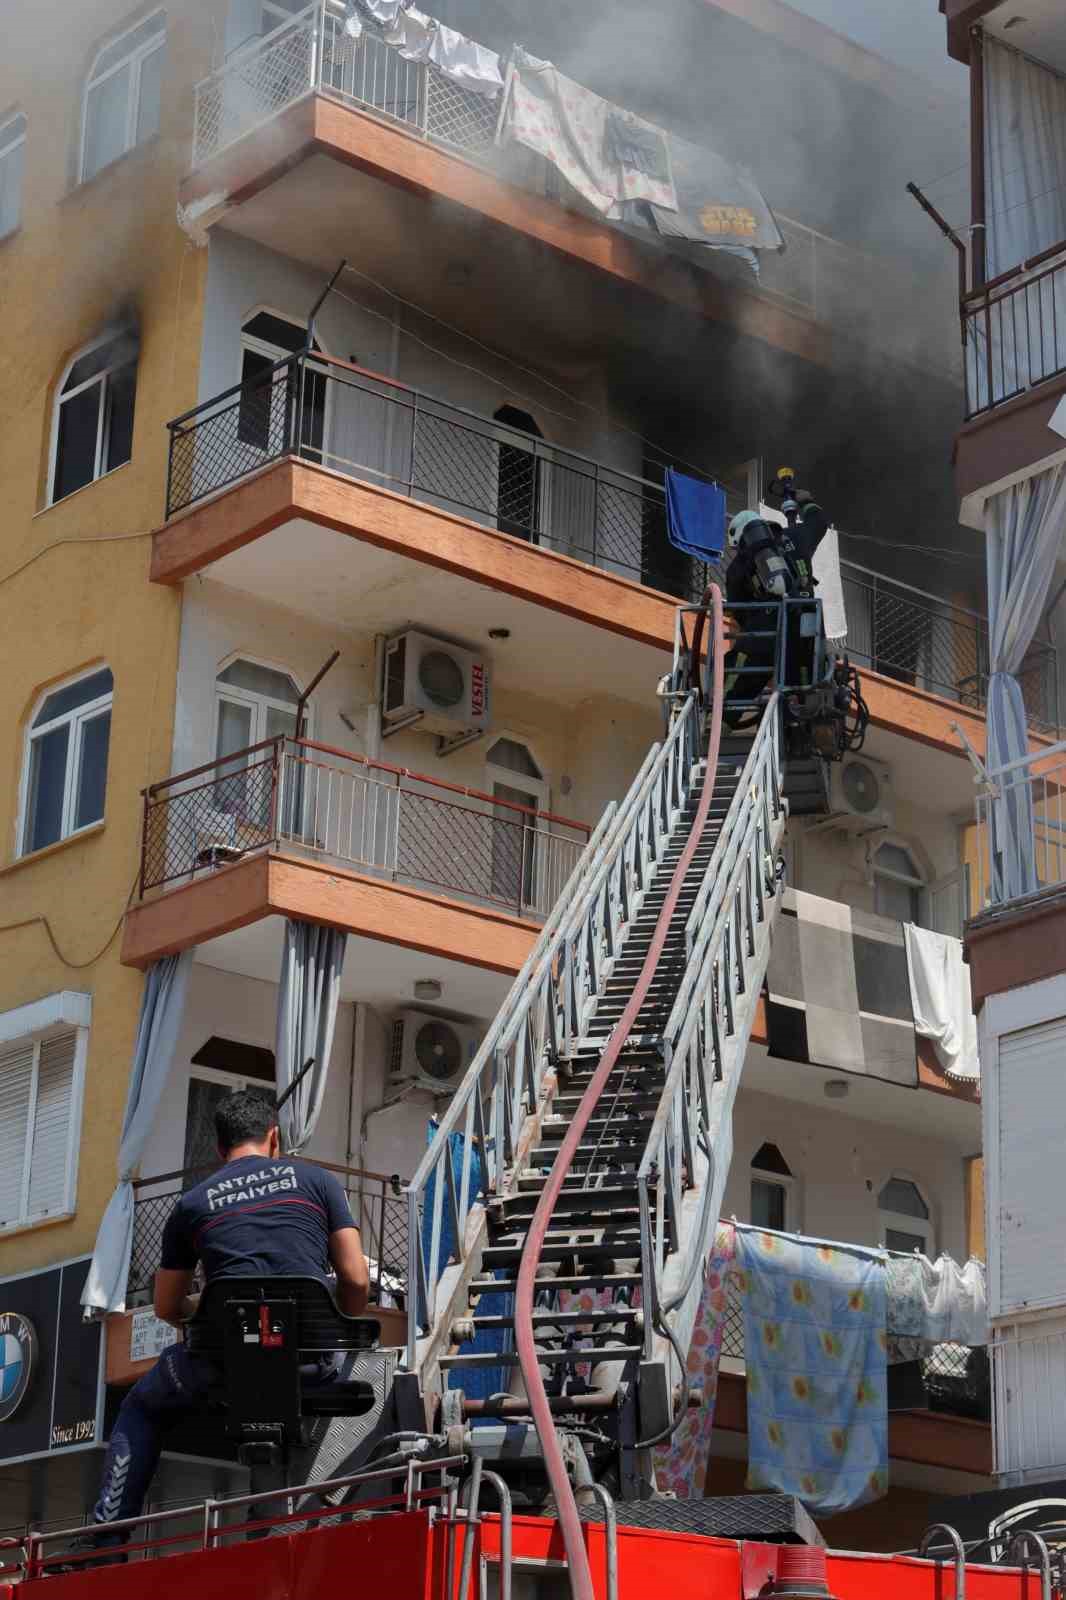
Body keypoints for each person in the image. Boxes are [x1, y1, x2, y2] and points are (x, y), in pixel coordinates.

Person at [74, 1089, 370, 1561]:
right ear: (275, 1138)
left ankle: (106, 1539)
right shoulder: (318, 1181)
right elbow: (356, 1280)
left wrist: (219, 1314)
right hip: (312, 1364)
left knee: (142, 1406)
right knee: (362, 1365)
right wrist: (332, 1320)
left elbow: (169, 1306)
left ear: (219, 1149)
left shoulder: (192, 1203)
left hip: (223, 1367)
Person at [722, 491, 830, 726]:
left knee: (737, 678)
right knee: (804, 686)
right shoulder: (796, 536)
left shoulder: (738, 566)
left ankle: (723, 715)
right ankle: (808, 721)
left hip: (767, 634)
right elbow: (820, 522)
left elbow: (740, 611)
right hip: (808, 627)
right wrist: (805, 501)